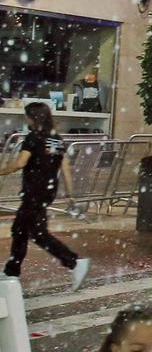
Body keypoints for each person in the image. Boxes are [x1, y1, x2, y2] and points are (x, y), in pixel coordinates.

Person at [2, 100, 88, 289]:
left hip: (34, 191)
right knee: (20, 229)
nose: (25, 119)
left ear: (32, 117)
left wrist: (2, 170)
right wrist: (71, 194)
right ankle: (12, 271)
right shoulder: (55, 138)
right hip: (47, 190)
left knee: (37, 233)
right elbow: (65, 167)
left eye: (26, 115)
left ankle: (73, 261)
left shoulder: (33, 137)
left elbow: (20, 163)